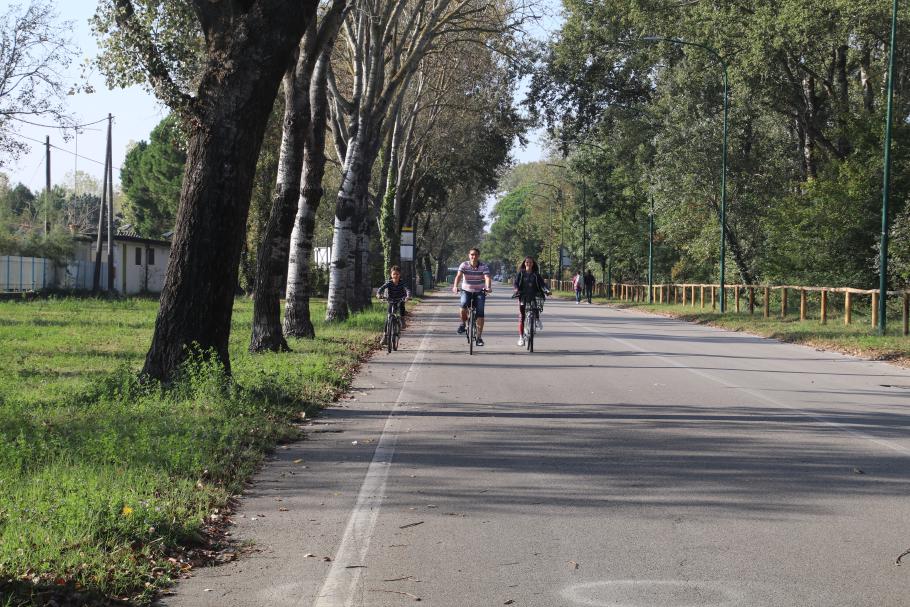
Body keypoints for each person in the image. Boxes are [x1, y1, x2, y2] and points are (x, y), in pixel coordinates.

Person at [451, 247, 492, 346]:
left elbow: (487, 277)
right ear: (469, 256)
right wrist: (455, 286)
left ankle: (479, 338)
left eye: (476, 255)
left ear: (478, 256)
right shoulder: (464, 265)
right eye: (472, 254)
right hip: (466, 290)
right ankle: (463, 324)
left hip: (479, 291)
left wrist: (488, 287)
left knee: (480, 312)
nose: (474, 256)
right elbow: (459, 276)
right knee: (463, 305)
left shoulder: (483, 266)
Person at [512, 256, 550, 346]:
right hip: (523, 296)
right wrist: (516, 289)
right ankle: (521, 337)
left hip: (534, 295)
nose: (528, 264)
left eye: (530, 262)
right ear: (524, 263)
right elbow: (516, 283)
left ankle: (537, 319)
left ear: (533, 264)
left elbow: (542, 284)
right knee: (522, 317)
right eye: (527, 262)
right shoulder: (520, 274)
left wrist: (546, 290)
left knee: (536, 306)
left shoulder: (536, 275)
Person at [377, 266, 410, 344]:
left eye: (397, 274)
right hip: (391, 300)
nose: (396, 276)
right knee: (388, 317)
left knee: (402, 305)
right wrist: (378, 294)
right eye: (394, 274)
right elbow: (381, 288)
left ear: (400, 275)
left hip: (400, 299)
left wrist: (407, 296)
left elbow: (407, 290)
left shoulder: (402, 283)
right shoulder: (389, 283)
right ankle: (385, 336)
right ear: (391, 275)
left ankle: (402, 319)